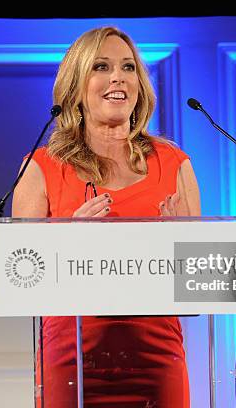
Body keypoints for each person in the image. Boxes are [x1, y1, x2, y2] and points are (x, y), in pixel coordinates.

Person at [12, 26, 201, 408]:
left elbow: (197, 288)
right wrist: (67, 241)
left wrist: (180, 244)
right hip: (70, 363)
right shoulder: (42, 167)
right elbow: (21, 282)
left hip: (158, 362)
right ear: (76, 88)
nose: (118, 77)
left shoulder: (175, 165)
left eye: (128, 68)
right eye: (101, 66)